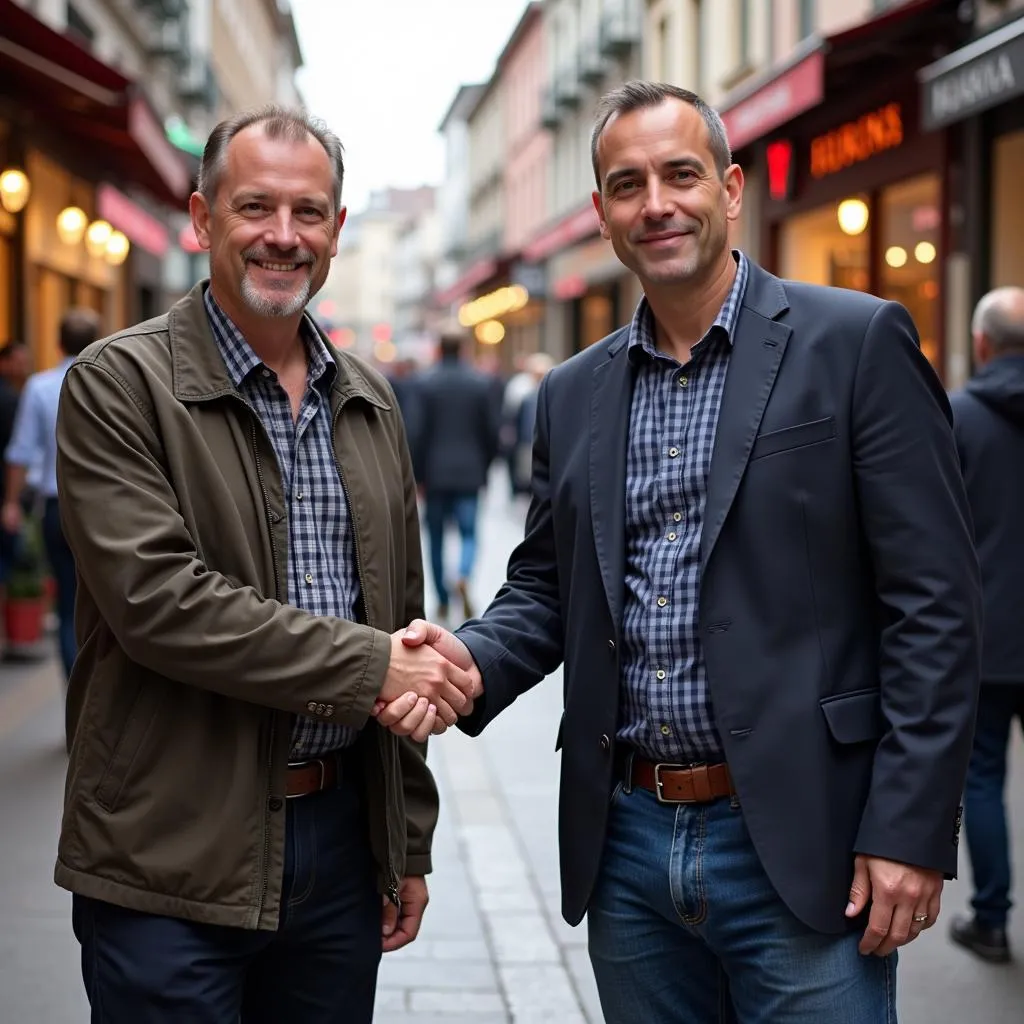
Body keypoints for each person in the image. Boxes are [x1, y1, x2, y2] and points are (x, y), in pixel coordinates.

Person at [378, 81, 982, 1023]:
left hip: (805, 840)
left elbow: (936, 603)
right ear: (603, 216)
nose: (655, 202)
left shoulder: (854, 342)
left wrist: (908, 828)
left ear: (731, 189)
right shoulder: (574, 391)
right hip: (627, 845)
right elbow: (547, 583)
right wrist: (469, 660)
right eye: (627, 184)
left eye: (680, 174)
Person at [54, 106, 476, 1024]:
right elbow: (161, 603)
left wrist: (405, 840)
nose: (283, 237)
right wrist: (373, 668)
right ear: (204, 220)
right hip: (171, 851)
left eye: (309, 213)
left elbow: (399, 616)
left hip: (334, 846)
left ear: (336, 231)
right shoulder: (119, 384)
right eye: (256, 208)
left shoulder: (368, 399)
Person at [947, 286, 1024, 965]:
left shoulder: (960, 418)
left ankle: (993, 917)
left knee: (984, 776)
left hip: (991, 633)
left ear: (981, 344)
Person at [3, 312, 99, 679]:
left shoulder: (40, 387)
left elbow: (20, 453)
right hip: (104, 508)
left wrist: (11, 503)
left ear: (58, 344)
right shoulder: (109, 379)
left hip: (57, 507)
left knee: (66, 604)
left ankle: (74, 705)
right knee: (105, 604)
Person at [413, 332, 500, 621]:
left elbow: (416, 433)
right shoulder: (479, 383)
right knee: (469, 532)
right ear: (463, 349)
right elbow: (491, 431)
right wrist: (485, 467)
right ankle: (463, 574)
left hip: (435, 474)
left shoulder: (425, 383)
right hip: (469, 471)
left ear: (438, 349)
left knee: (436, 537)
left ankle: (441, 597)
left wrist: (418, 475)